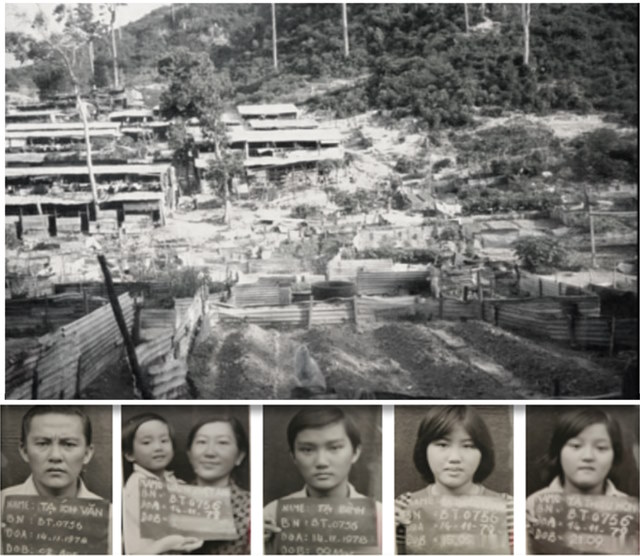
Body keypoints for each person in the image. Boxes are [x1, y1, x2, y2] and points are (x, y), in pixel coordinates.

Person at [395, 406, 513, 554]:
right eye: (443, 445)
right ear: (424, 449)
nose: (455, 458)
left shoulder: (508, 508)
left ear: (482, 453)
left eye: (468, 446)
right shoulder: (404, 506)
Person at [264, 407, 382, 554]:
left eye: (335, 448)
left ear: (355, 452)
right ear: (293, 456)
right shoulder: (271, 515)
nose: (321, 462)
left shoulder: (380, 517)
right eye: (307, 450)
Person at [0, 406, 112, 553]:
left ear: (87, 454)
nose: (55, 456)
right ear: (24, 451)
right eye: (42, 443)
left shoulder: (110, 519)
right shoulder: (2, 506)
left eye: (69, 444)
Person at [526, 407, 634, 554]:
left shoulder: (630, 513)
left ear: (615, 455)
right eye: (576, 446)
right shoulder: (533, 507)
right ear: (558, 451)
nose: (588, 456)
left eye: (601, 448)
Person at [122, 413, 203, 555]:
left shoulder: (174, 482)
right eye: (147, 442)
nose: (158, 447)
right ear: (129, 454)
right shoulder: (136, 487)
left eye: (164, 440)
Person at [186, 416, 250, 555]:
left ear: (239, 456)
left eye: (222, 443)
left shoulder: (253, 509)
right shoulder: (165, 501)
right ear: (190, 455)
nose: (210, 452)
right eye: (202, 442)